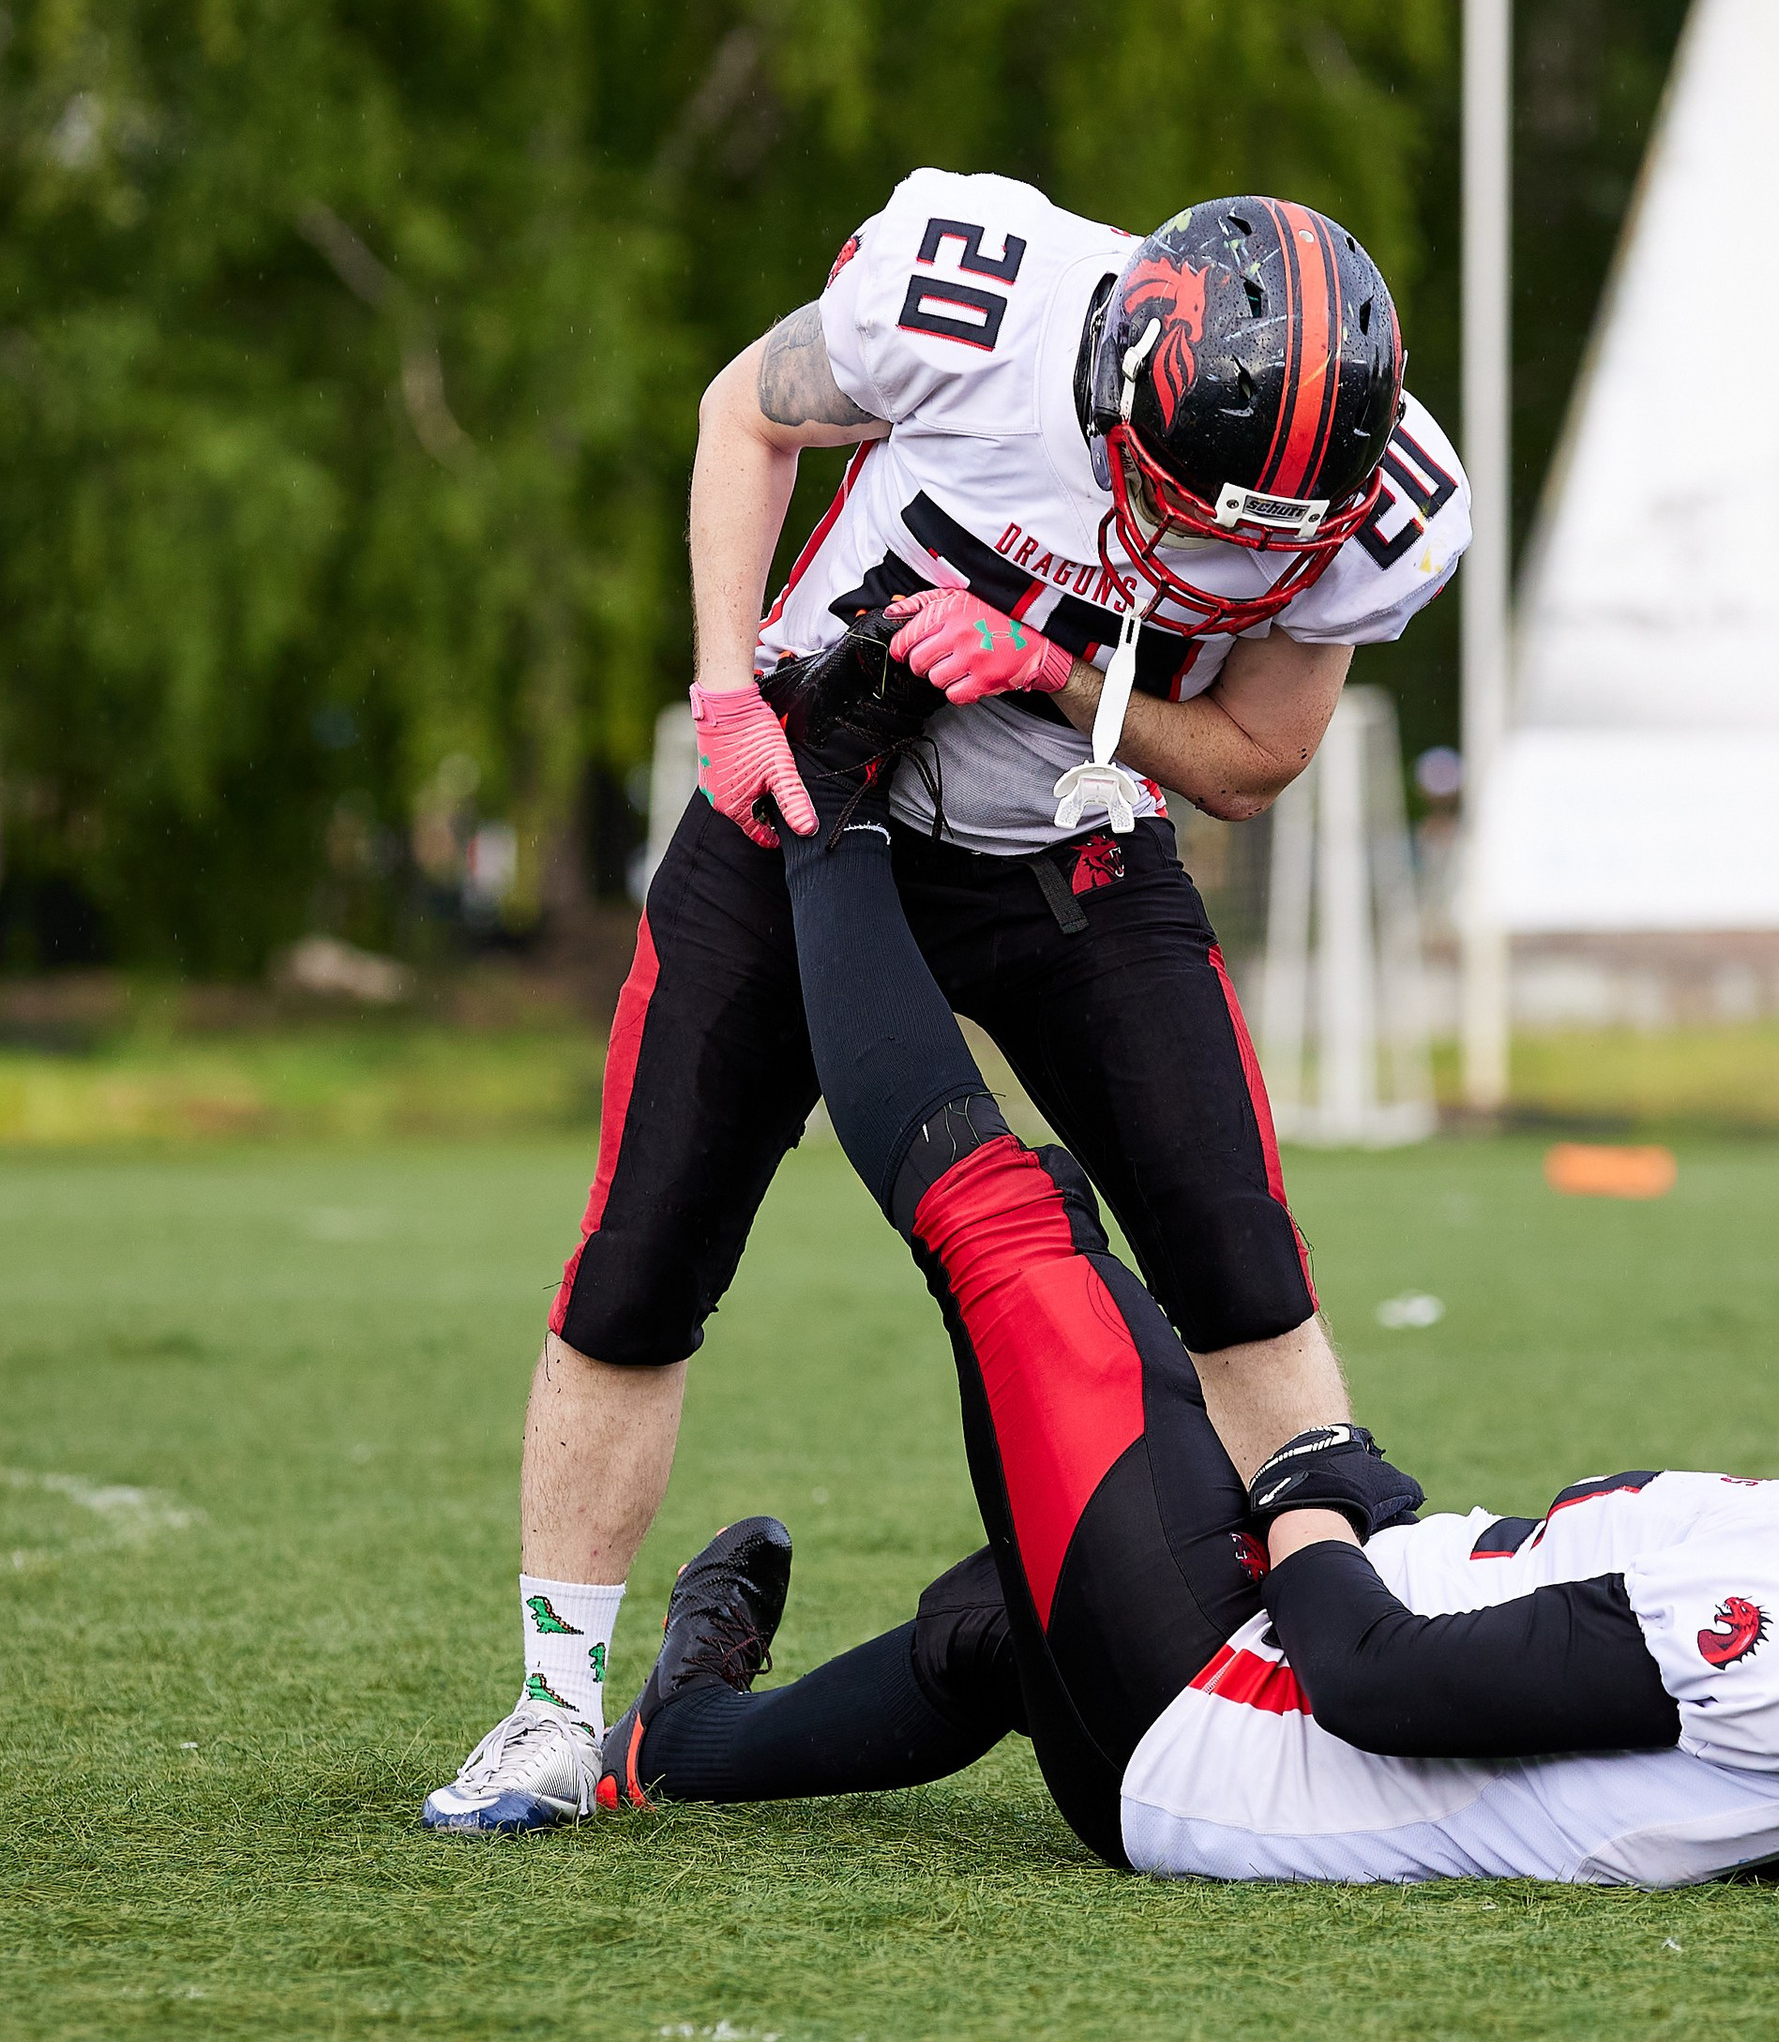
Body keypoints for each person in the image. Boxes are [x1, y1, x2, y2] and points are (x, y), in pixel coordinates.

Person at [589, 768, 1779, 1889]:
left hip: (1230, 1724)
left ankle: (823, 813)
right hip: (1312, 1662)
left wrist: (1303, 1477)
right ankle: (676, 1745)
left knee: (1014, 1222)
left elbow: (1374, 1682)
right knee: (990, 1619)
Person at [422, 176, 1467, 1835]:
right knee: (641, 1254)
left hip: (1070, 844)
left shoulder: (1389, 498)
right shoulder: (975, 298)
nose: (1205, 558)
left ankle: (1341, 1656)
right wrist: (721, 696)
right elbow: (741, 416)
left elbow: (1255, 759)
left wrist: (1051, 670)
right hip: (803, 777)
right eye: (1192, 510)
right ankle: (553, 1708)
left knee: (1236, 1256)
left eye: (1256, 542)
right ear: (1124, 384)